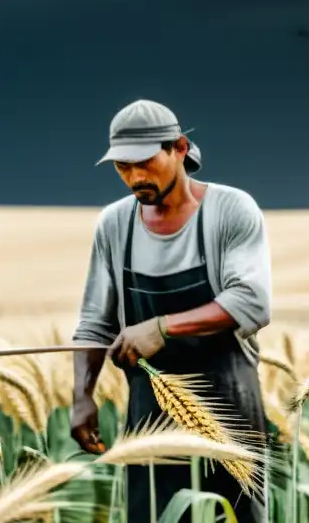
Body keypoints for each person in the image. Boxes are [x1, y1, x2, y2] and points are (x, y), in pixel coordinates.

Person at [70, 99, 272, 522]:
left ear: (179, 148)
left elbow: (251, 301)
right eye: (122, 167)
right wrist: (82, 397)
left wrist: (161, 328)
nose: (135, 177)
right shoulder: (114, 225)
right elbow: (94, 322)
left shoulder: (230, 210)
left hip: (230, 411)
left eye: (144, 162)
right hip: (151, 418)